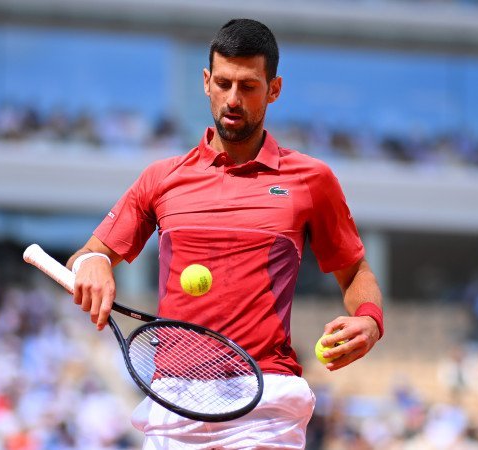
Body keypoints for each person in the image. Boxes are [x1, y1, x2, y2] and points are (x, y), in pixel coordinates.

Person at [67, 18, 384, 449]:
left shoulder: (312, 179)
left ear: (274, 89)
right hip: (173, 401)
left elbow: (355, 272)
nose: (233, 99)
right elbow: (89, 255)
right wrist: (95, 264)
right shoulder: (161, 178)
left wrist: (369, 319)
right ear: (206, 82)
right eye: (223, 83)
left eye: (249, 86)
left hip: (266, 403)